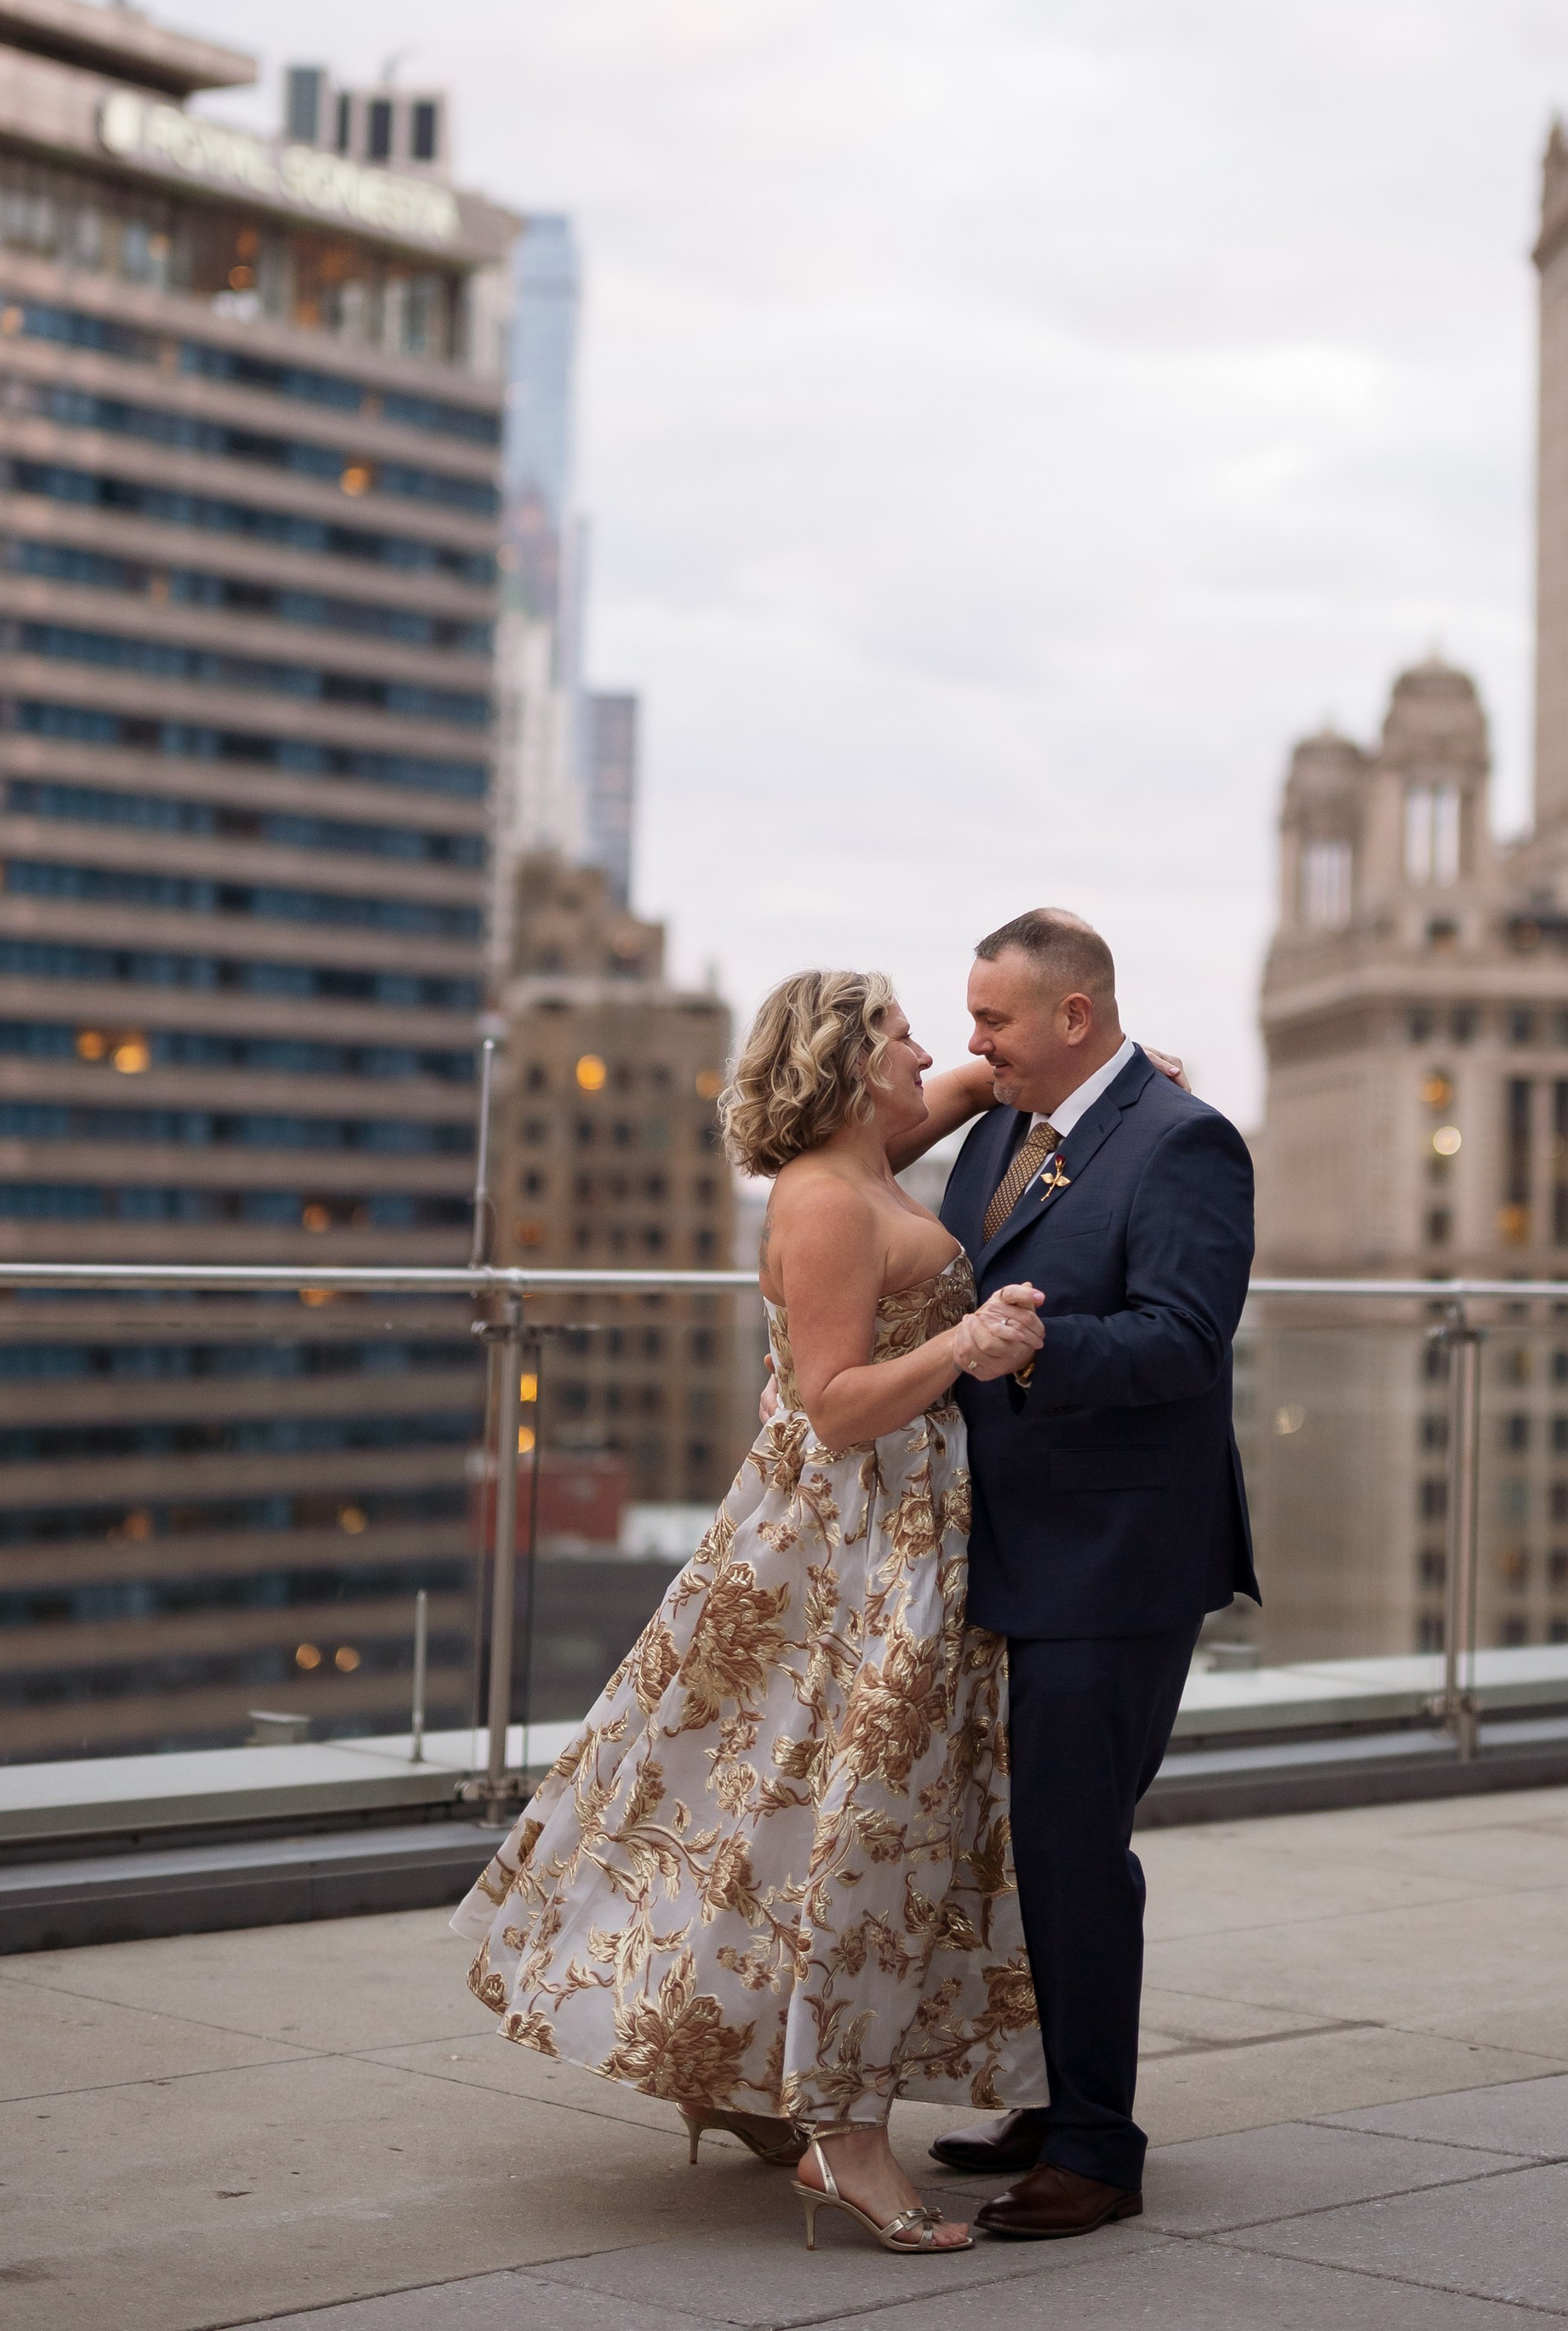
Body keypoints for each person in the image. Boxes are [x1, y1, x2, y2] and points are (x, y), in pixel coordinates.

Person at [454, 968, 1051, 2259]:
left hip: (892, 1527)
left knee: (788, 1815)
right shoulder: (830, 1197)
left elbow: (975, 1081)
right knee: (856, 1826)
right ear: (849, 1064)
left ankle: (749, 2074)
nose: (929, 1050)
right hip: (855, 1547)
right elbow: (834, 1402)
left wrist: (1121, 1064)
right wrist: (967, 1343)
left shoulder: (867, 1148)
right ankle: (844, 2136)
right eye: (900, 1033)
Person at [925, 908, 1257, 2240]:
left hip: (1118, 1557)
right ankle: (1053, 2099)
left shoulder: (1187, 1142)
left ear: (1074, 1016)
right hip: (1007, 1544)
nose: (973, 1039)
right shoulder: (1001, 1125)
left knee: (1075, 1849)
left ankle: (1099, 2150)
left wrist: (1035, 1352)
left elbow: (1184, 1340)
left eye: (993, 1019)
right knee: (1027, 1846)